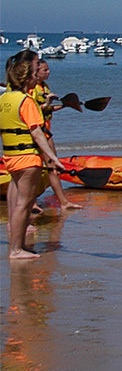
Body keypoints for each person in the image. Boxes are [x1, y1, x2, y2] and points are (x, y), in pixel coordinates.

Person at [4, 53, 67, 259]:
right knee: (24, 204)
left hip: (10, 157)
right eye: (34, 74)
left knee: (19, 203)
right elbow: (37, 133)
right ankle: (17, 249)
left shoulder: (4, 99)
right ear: (28, 78)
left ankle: (18, 246)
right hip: (27, 158)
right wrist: (53, 159)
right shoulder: (26, 101)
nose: (36, 77)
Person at [28, 60, 82, 211]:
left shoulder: (44, 87)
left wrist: (65, 105)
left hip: (46, 130)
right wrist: (46, 103)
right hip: (36, 132)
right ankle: (32, 203)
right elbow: (32, 110)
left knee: (52, 168)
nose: (48, 72)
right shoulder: (31, 89)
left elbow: (47, 110)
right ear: (36, 72)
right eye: (45, 70)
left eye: (48, 69)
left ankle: (63, 202)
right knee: (37, 168)